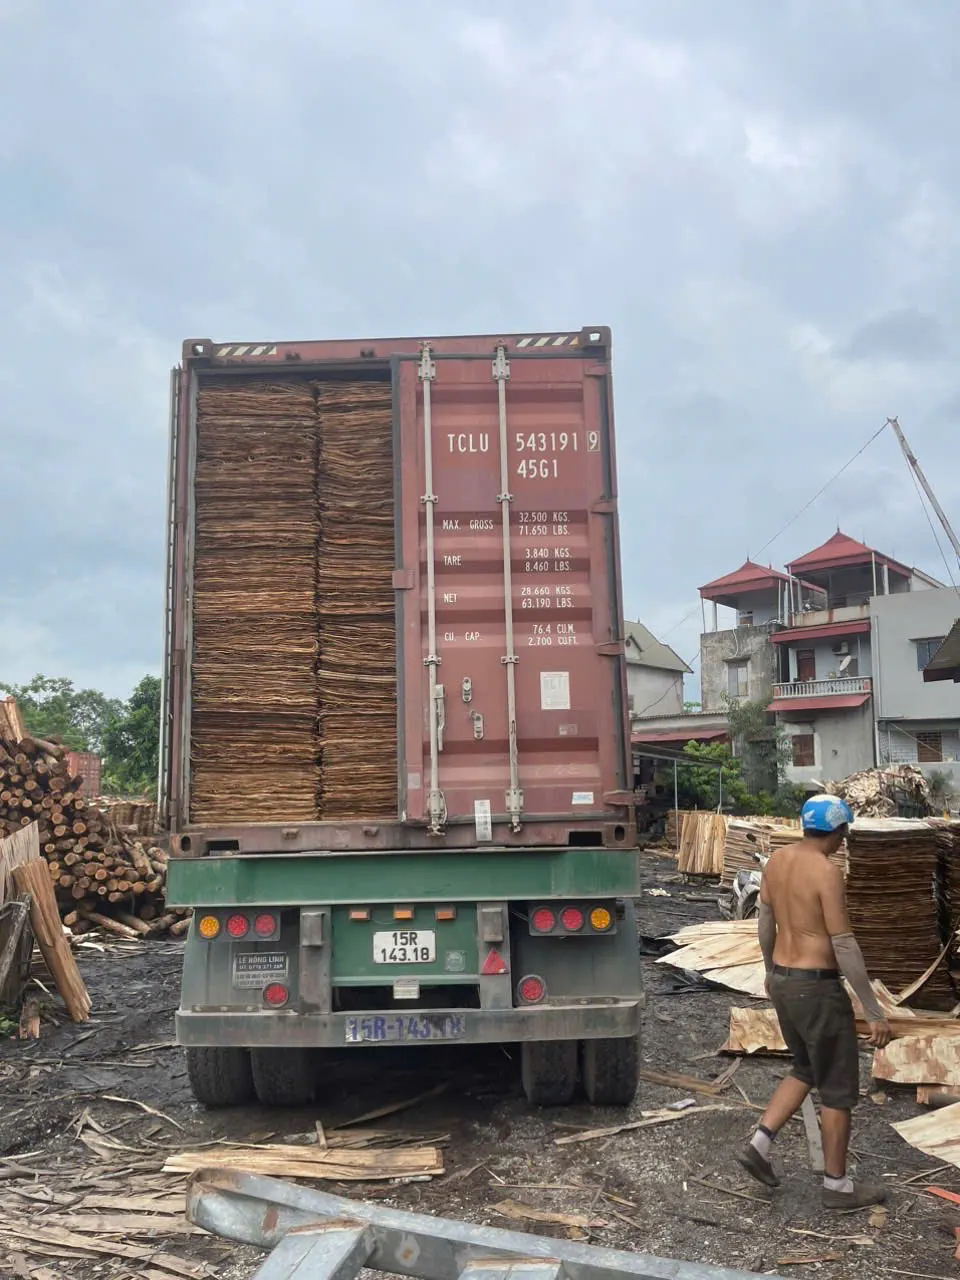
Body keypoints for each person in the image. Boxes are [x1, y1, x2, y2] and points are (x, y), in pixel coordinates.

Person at [736, 794, 892, 1209]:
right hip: (817, 988)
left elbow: (765, 924)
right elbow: (843, 943)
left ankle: (759, 1144)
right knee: (838, 1087)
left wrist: (770, 970)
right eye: (844, 833)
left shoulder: (776, 862)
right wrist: (873, 1009)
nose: (843, 841)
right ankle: (837, 1186)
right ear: (837, 832)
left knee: (805, 1067)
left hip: (784, 981)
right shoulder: (826, 871)